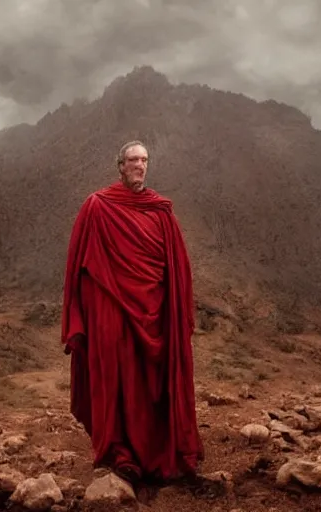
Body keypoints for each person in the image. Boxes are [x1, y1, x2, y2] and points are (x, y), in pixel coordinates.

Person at [60, 140, 204, 485]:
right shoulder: (97, 207)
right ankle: (120, 453)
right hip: (114, 317)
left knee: (154, 384)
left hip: (156, 317)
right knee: (118, 382)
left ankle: (159, 456)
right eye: (133, 160)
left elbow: (177, 270)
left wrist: (175, 312)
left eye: (144, 160)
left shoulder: (161, 213)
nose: (140, 165)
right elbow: (79, 269)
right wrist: (90, 316)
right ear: (120, 166)